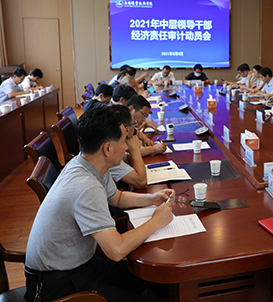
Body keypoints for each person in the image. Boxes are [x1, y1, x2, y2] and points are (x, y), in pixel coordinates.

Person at [24, 108, 174, 302]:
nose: (127, 147)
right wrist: (156, 221)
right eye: (124, 141)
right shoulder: (86, 186)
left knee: (157, 279)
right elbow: (116, 250)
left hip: (83, 267)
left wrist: (151, 199)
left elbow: (117, 197)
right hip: (58, 286)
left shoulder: (87, 164)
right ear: (108, 148)